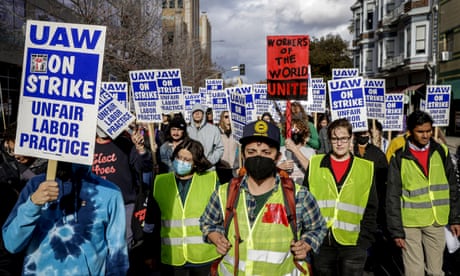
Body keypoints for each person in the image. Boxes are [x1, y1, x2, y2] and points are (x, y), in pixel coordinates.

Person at [200, 119, 327, 275]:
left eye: (266, 152)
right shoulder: (225, 193)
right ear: (243, 154)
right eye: (251, 152)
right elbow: (207, 222)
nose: (258, 156)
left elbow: (318, 227)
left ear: (277, 156)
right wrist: (216, 237)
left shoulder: (298, 195)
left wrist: (306, 244)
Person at [2, 161, 128, 275]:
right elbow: (12, 244)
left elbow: (118, 256)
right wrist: (33, 204)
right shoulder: (35, 186)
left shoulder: (110, 193)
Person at [386, 110, 460, 276]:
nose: (425, 135)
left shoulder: (442, 152)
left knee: (436, 271)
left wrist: (455, 218)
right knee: (414, 271)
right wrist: (396, 230)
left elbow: (452, 186)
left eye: (428, 131)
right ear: (410, 131)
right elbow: (392, 196)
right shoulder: (399, 157)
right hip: (410, 223)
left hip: (436, 221)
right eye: (420, 132)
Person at [303, 118, 379, 275]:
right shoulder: (315, 164)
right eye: (335, 138)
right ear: (329, 139)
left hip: (353, 242)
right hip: (321, 241)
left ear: (351, 138)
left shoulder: (366, 168)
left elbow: (372, 207)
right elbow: (305, 202)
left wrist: (364, 241)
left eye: (343, 138)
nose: (339, 143)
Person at [148, 139, 220, 275]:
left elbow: (220, 216)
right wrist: (150, 252)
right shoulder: (160, 182)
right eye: (179, 157)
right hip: (172, 258)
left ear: (196, 163)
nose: (181, 162)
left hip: (204, 256)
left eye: (187, 160)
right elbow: (151, 222)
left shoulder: (210, 180)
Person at [93, 126, 153, 249]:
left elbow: (143, 167)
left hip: (123, 205)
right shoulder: (87, 146)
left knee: (123, 247)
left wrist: (140, 149)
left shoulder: (125, 144)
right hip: (96, 205)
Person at [278, 118, 315, 184]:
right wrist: (279, 167)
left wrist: (295, 150)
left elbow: (312, 171)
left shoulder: (310, 152)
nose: (295, 132)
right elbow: (269, 173)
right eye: (292, 129)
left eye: (298, 129)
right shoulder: (279, 151)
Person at [187, 103, 224, 169]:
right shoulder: (187, 130)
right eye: (195, 112)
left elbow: (220, 148)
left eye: (199, 111)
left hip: (208, 168)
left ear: (203, 114)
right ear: (192, 115)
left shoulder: (213, 129)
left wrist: (210, 161)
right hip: (191, 168)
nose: (197, 114)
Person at [216, 111, 239, 184]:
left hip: (234, 169)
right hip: (221, 169)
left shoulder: (236, 133)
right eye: (226, 117)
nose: (229, 119)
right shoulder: (216, 133)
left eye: (231, 117)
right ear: (222, 119)